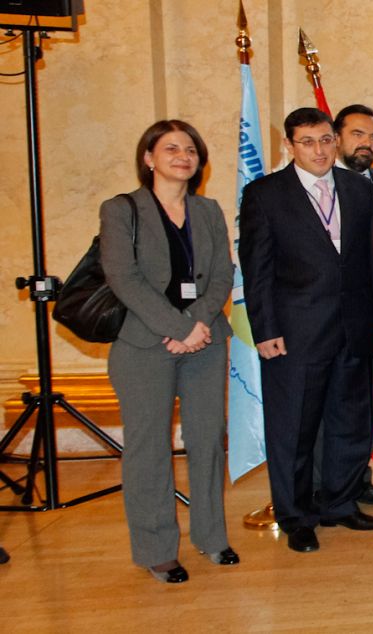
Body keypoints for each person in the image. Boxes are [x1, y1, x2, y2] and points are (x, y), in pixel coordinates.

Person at [240, 107, 373, 553]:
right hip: (294, 333)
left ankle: (340, 504)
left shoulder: (358, 190)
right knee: (296, 429)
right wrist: (264, 330)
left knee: (349, 422)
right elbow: (258, 270)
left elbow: (371, 261)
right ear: (290, 146)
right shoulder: (265, 195)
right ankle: (296, 516)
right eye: (308, 142)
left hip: (354, 326)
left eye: (326, 140)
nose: (320, 150)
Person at [105, 120, 237, 582]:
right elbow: (124, 279)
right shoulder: (122, 210)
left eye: (191, 150)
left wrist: (197, 325)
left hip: (204, 342)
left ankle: (211, 537)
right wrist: (177, 328)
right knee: (148, 449)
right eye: (171, 148)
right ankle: (157, 549)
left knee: (208, 440)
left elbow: (222, 273)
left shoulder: (208, 210)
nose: (183, 156)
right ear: (148, 157)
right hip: (145, 345)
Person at [330, 104, 373, 505]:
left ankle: (358, 476)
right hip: (328, 317)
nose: (366, 144)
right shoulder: (322, 185)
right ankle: (327, 483)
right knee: (334, 404)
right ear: (336, 138)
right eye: (357, 134)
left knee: (368, 401)